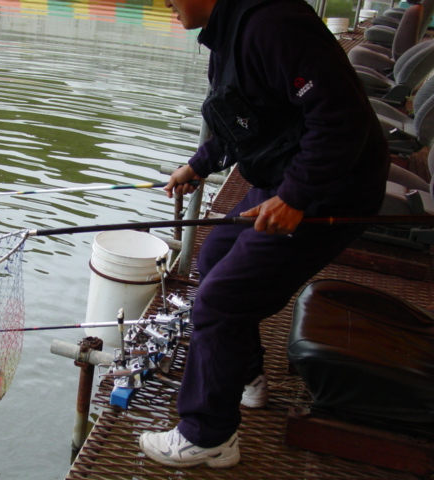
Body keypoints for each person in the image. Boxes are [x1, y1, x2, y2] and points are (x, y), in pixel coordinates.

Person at [138, 0, 390, 470]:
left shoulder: (273, 25)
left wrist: (295, 197)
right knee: (214, 256)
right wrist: (199, 164)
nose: (164, 3)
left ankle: (208, 436)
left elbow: (341, 119)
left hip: (332, 191)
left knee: (220, 301)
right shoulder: (228, 30)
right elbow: (242, 118)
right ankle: (244, 374)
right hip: (285, 174)